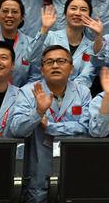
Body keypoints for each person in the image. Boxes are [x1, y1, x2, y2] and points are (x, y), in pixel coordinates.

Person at [9, 45, 91, 203]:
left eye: (61, 61)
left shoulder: (83, 92)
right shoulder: (28, 92)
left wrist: (51, 127)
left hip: (74, 168)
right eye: (49, 62)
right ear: (42, 70)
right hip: (38, 172)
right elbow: (17, 129)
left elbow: (87, 128)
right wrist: (38, 112)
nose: (55, 65)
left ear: (71, 68)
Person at [33, 0, 105, 87]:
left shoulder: (91, 46)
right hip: (46, 88)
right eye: (73, 8)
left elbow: (86, 77)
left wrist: (99, 35)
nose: (77, 13)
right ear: (65, 13)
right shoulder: (50, 36)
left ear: (89, 16)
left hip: (76, 93)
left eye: (83, 10)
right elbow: (31, 58)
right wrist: (44, 29)